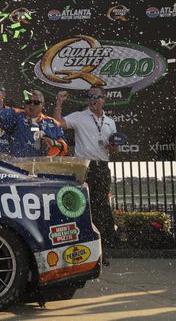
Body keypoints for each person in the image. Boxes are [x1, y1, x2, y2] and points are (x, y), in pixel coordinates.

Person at [53, 87, 117, 258]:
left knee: (101, 207)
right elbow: (58, 122)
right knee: (82, 207)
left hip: (102, 167)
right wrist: (59, 102)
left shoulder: (110, 121)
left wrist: (112, 146)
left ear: (104, 99)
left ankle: (101, 252)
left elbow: (114, 149)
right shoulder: (79, 116)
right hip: (84, 167)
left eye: (96, 96)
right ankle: (82, 249)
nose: (93, 99)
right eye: (90, 96)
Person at [0, 90, 68, 157]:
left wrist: (53, 143)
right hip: (16, 167)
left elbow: (64, 148)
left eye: (36, 103)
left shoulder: (53, 124)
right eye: (28, 102)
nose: (32, 105)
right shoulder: (16, 115)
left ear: (42, 105)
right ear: (24, 103)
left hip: (40, 169)